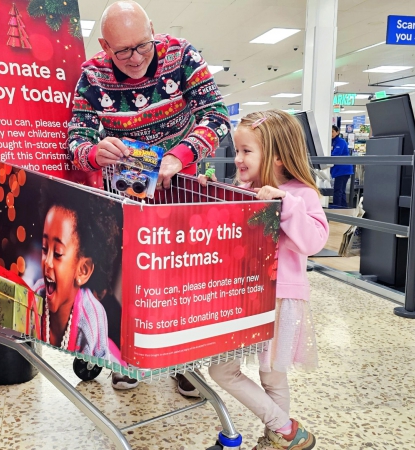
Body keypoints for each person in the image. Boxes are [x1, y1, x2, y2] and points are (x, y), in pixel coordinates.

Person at [66, 0, 230, 394]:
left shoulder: (182, 55)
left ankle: (183, 361)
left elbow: (217, 117)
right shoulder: (91, 76)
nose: (137, 58)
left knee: (181, 278)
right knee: (126, 277)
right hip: (126, 192)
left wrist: (179, 156)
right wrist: (94, 152)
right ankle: (127, 358)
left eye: (143, 45)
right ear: (105, 46)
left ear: (153, 30)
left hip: (180, 188)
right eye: (123, 51)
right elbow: (76, 141)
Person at [199, 110, 328, 450]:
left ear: (278, 156)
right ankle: (285, 428)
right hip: (241, 297)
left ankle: (277, 438)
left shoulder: (301, 194)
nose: (238, 159)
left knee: (273, 375)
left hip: (279, 298)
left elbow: (313, 242)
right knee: (222, 370)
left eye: (246, 151)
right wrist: (207, 194)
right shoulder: (242, 189)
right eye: (237, 150)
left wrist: (286, 205)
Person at [34, 184, 124, 365]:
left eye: (57, 253)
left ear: (83, 270)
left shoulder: (91, 319)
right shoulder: (37, 293)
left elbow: (97, 375)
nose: (47, 262)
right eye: (44, 249)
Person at [330, 125, 353, 208]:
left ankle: (337, 209)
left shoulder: (341, 141)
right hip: (338, 170)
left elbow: (335, 154)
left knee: (338, 191)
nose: (331, 133)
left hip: (343, 170)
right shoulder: (331, 142)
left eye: (333, 131)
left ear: (337, 132)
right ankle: (343, 209)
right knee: (341, 191)